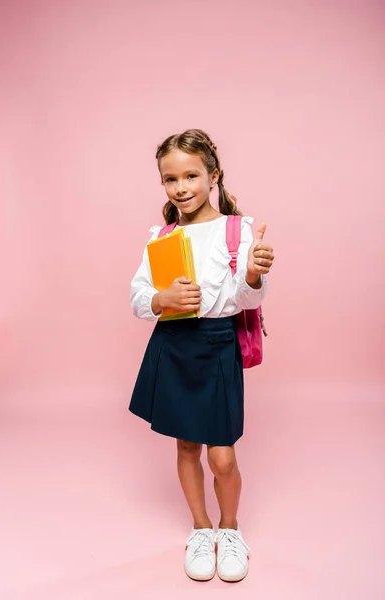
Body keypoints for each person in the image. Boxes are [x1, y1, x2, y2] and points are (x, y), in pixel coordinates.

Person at [129, 129, 275, 582]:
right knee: (187, 445)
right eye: (170, 179)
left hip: (216, 346)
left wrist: (252, 274)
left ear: (213, 175)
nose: (181, 187)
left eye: (191, 175)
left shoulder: (239, 229)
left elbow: (247, 302)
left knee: (222, 457)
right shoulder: (163, 236)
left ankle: (229, 529)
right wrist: (161, 298)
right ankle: (200, 528)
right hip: (174, 347)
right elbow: (137, 296)